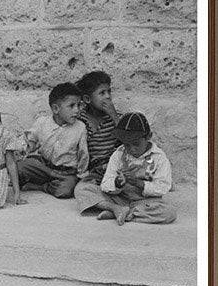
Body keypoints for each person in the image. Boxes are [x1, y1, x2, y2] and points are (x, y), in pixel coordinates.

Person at [94, 112, 177, 225]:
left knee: (169, 213)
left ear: (148, 137)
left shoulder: (159, 158)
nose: (132, 149)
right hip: (120, 198)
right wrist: (118, 183)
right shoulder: (119, 154)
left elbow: (163, 187)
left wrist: (137, 182)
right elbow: (105, 183)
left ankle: (122, 213)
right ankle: (116, 208)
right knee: (84, 189)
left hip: (144, 201)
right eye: (127, 145)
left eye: (136, 144)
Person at [16, 81, 89, 199]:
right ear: (55, 109)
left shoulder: (80, 128)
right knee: (19, 167)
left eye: (78, 105)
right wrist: (23, 149)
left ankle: (40, 187)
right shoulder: (42, 122)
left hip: (65, 173)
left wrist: (82, 176)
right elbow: (30, 141)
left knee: (64, 191)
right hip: (44, 167)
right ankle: (43, 181)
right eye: (71, 106)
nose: (77, 110)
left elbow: (83, 154)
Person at [73, 70, 122, 215]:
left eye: (109, 91)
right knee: (80, 190)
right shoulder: (79, 120)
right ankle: (113, 208)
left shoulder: (116, 118)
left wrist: (114, 118)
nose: (108, 96)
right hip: (95, 173)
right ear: (87, 99)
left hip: (115, 169)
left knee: (127, 185)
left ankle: (109, 205)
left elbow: (127, 144)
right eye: (102, 93)